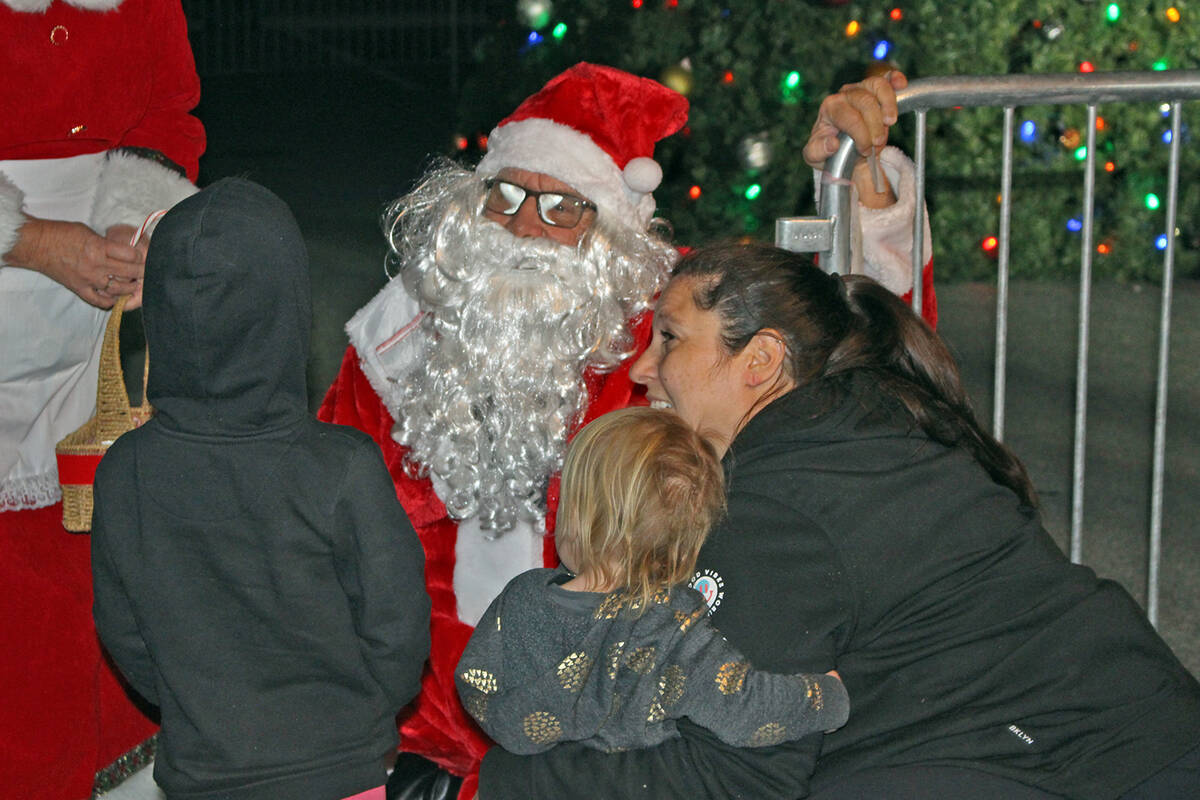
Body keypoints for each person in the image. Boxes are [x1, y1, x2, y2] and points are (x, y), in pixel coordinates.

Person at [317, 62, 934, 795]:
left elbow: (840, 355)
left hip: (622, 726)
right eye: (506, 195)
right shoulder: (399, 343)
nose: (521, 226)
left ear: (609, 233)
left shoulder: (663, 342)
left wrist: (855, 193)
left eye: (561, 209)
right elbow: (318, 517)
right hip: (416, 718)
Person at [478, 241, 1200, 799]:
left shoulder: (777, 511)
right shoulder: (858, 418)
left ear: (758, 360)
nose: (642, 369)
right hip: (1119, 727)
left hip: (1078, 763)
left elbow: (736, 774)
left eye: (670, 338)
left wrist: (511, 782)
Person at [90, 178, 432, 800]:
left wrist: (201, 712)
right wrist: (352, 718)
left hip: (205, 772)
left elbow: (126, 635)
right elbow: (399, 628)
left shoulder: (124, 471)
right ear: (290, 309)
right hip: (340, 772)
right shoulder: (340, 465)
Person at [0, 1, 204, 795]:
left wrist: (135, 221)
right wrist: (32, 241)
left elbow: (168, 112)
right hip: (26, 257)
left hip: (97, 318)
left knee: (87, 546)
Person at [456, 407, 849, 756]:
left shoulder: (521, 600)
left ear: (582, 515)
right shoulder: (668, 626)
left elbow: (477, 683)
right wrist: (824, 699)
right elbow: (744, 707)